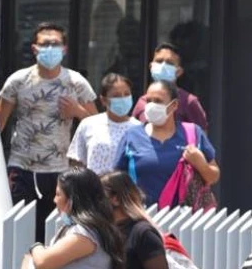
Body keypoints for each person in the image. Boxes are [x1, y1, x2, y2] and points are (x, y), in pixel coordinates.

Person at [0, 23, 98, 242]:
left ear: (64, 49)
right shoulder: (18, 80)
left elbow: (97, 124)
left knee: (55, 231)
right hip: (22, 167)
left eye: (55, 43)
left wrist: (77, 111)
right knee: (19, 233)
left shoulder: (76, 82)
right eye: (45, 44)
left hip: (59, 170)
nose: (50, 48)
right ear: (34, 48)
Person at [115, 80, 219, 208]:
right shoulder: (132, 136)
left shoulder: (192, 133)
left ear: (174, 105)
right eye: (149, 101)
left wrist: (201, 164)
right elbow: (117, 180)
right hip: (142, 218)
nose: (152, 105)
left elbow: (213, 176)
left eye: (158, 101)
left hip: (184, 220)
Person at [68, 74, 141, 175]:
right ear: (103, 100)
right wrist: (77, 184)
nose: (123, 98)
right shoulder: (89, 124)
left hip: (126, 189)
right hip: (94, 188)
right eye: (116, 95)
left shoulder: (139, 128)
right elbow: (76, 162)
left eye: (126, 94)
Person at [132, 43, 208, 130]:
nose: (163, 66)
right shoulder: (142, 102)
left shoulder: (189, 102)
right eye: (159, 61)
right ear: (151, 67)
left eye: (169, 63)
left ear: (178, 72)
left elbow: (202, 136)